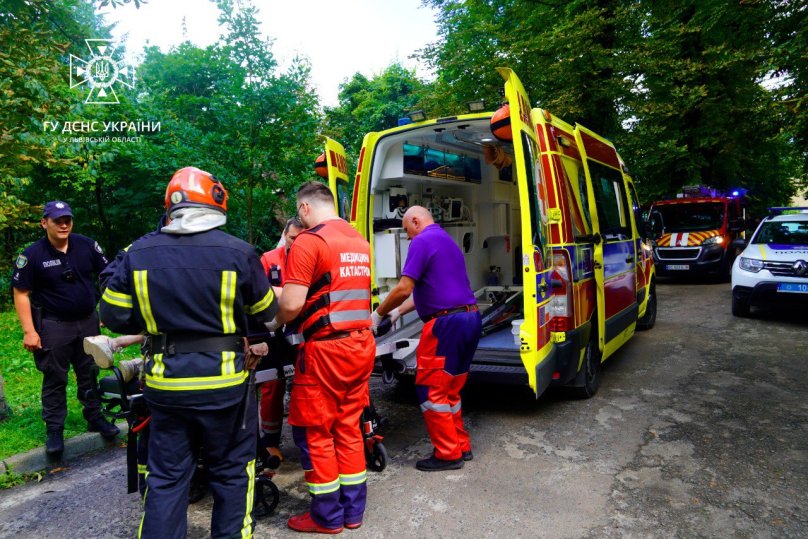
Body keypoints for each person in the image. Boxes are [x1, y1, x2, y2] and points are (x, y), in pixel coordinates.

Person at [99, 167, 277, 539]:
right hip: (226, 386)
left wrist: (154, 315)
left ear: (170, 206)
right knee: (231, 473)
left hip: (167, 387)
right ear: (216, 202)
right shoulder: (239, 252)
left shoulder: (139, 251)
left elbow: (112, 316)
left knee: (166, 478)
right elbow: (268, 314)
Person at [267, 180, 374, 533]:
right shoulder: (359, 241)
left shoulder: (310, 242)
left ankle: (326, 517)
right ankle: (353, 513)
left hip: (326, 351)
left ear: (304, 208)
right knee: (348, 428)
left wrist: (274, 321)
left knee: (316, 431)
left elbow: (293, 304)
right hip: (360, 344)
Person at [372, 205, 481, 472]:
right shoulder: (446, 241)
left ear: (416, 221)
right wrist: (397, 312)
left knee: (430, 389)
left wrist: (378, 314)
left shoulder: (421, 241)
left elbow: (404, 287)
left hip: (445, 324)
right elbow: (429, 289)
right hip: (469, 318)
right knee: (450, 389)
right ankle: (460, 446)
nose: (408, 238)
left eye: (408, 231)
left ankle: (447, 454)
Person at [11, 200, 120, 457]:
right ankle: (55, 431)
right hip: (53, 325)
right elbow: (21, 293)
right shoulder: (32, 255)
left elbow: (109, 276)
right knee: (54, 378)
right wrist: (29, 331)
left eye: (67, 220)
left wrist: (106, 309)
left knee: (90, 372)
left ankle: (95, 418)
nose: (63, 224)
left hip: (88, 322)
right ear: (44, 223)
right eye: (57, 220)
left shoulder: (86, 245)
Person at [257, 217, 305, 464]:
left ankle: (303, 436)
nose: (295, 243)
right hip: (273, 331)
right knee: (271, 386)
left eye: (300, 238)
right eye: (292, 238)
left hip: (301, 329)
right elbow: (259, 291)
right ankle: (270, 441)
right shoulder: (269, 259)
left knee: (304, 384)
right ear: (285, 235)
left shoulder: (307, 256)